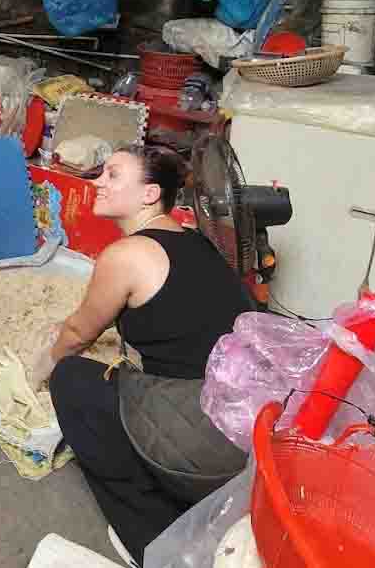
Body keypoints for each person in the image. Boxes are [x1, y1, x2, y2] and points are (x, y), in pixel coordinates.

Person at [31, 146, 252, 568]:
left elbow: (78, 333)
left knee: (73, 381)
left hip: (205, 445)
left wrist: (45, 364)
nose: (97, 181)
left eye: (113, 175)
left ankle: (155, 542)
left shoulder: (126, 256)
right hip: (248, 425)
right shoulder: (195, 240)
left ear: (150, 193)